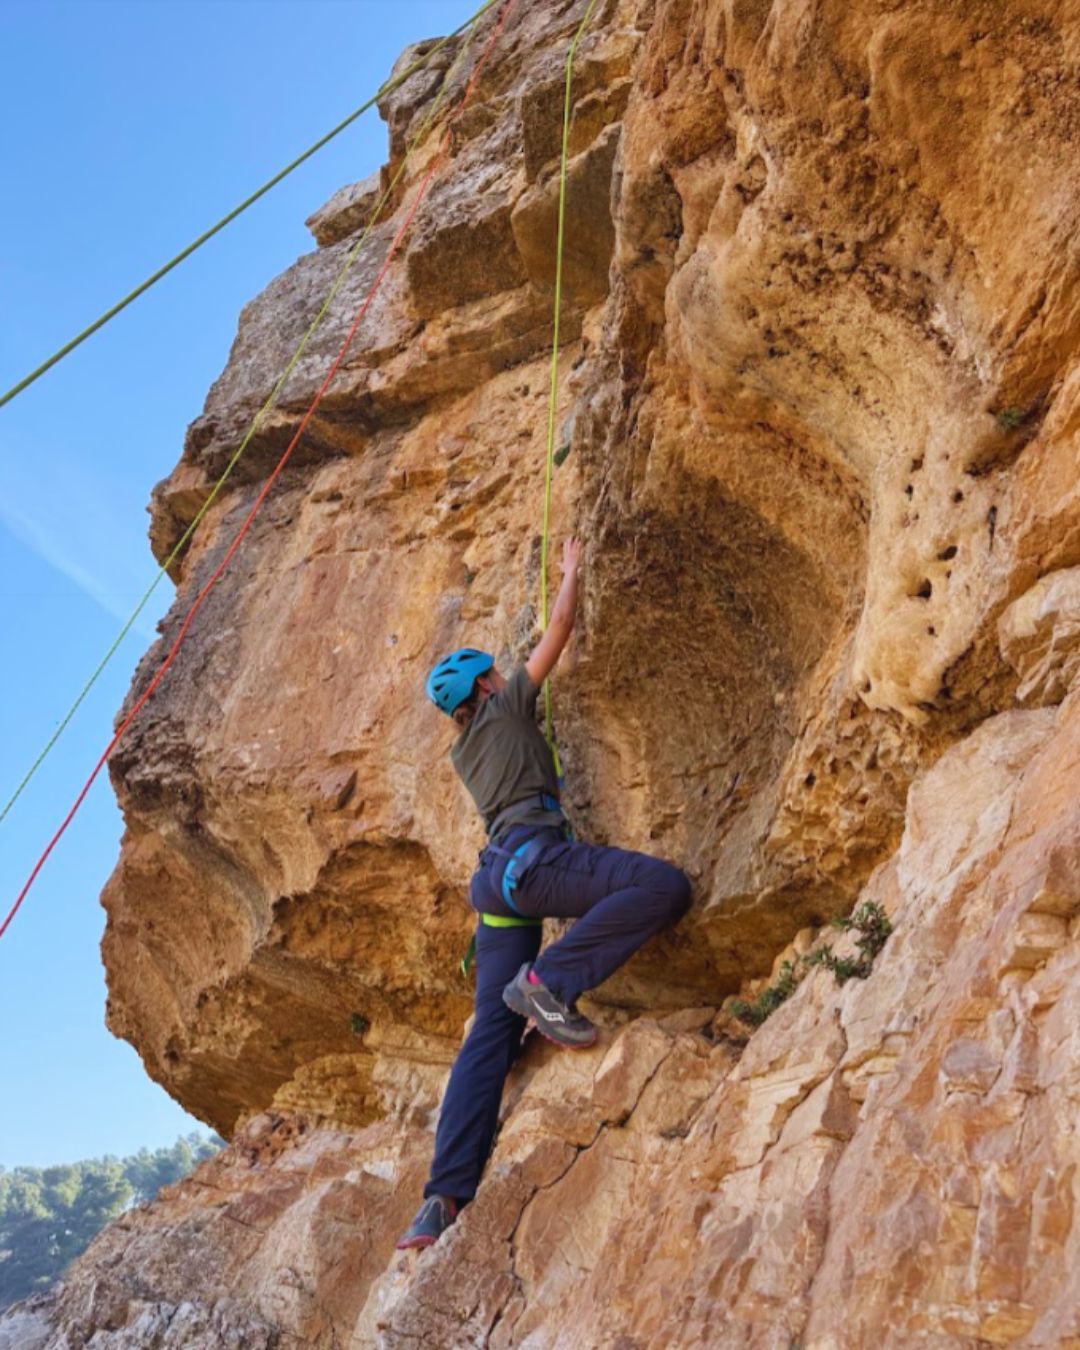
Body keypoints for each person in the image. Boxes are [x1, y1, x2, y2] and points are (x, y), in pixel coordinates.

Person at [395, 537, 692, 1250]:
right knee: (663, 886)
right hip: (535, 865)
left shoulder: (466, 748)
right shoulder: (505, 707)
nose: (504, 676)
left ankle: (440, 1202)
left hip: (496, 884)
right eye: (496, 674)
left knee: (486, 1041)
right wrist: (571, 571)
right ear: (488, 689)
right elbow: (557, 632)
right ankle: (548, 982)